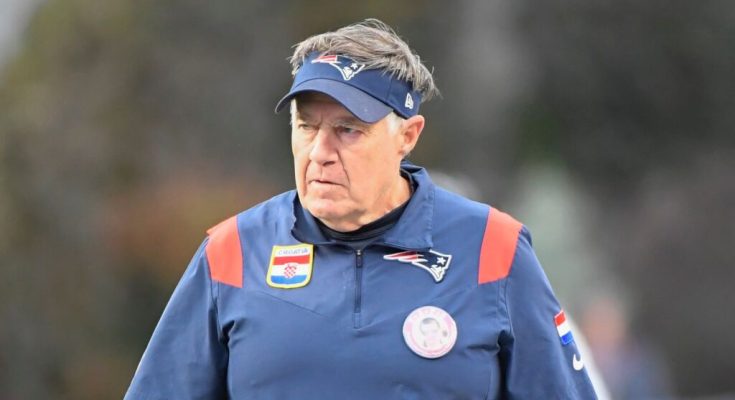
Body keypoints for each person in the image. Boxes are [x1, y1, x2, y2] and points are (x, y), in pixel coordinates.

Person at [125, 18, 598, 399]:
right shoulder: (230, 252)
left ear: (407, 136)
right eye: (306, 126)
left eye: (348, 130)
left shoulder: (494, 249)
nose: (320, 152)